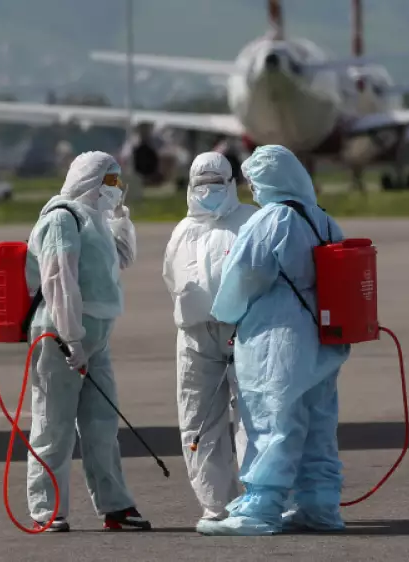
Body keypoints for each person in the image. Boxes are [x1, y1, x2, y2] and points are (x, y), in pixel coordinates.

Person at [197, 144, 352, 536]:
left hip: (277, 337)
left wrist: (227, 314)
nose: (252, 189)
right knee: (317, 423)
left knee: (272, 419)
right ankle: (319, 505)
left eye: (254, 180)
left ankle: (261, 507)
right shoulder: (322, 218)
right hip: (321, 337)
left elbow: (246, 273)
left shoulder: (272, 218)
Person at [24, 151, 150, 533]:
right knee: (54, 423)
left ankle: (115, 505)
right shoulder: (62, 219)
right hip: (60, 337)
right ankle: (46, 509)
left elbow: (122, 258)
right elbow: (58, 281)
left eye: (118, 182)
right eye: (110, 181)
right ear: (89, 180)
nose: (116, 189)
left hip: (95, 339)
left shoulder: (96, 220)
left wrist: (121, 219)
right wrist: (71, 337)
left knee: (101, 424)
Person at [162, 152, 257, 531]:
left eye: (217, 184)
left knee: (253, 419)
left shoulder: (250, 221)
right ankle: (216, 504)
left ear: (232, 184)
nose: (209, 191)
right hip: (195, 337)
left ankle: (259, 499)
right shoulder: (182, 231)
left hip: (244, 332)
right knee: (198, 421)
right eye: (201, 185)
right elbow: (171, 278)